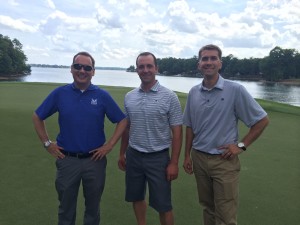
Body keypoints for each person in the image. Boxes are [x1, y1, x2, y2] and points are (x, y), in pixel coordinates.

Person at [32, 51, 127, 225]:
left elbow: (122, 120)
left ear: (93, 71)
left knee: (93, 209)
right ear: (71, 69)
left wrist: (109, 145)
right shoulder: (60, 93)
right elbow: (38, 116)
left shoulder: (101, 95)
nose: (82, 70)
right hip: (67, 160)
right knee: (66, 209)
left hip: (95, 161)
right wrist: (47, 143)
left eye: (87, 67)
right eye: (78, 66)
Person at [182, 44, 269, 225]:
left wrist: (240, 146)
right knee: (208, 207)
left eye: (213, 58)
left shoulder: (235, 90)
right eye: (205, 59)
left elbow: (261, 121)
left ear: (220, 63)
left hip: (224, 161)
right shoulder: (193, 92)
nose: (209, 62)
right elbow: (189, 126)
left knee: (225, 214)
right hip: (199, 158)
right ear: (199, 64)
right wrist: (186, 156)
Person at [118, 52, 183, 225]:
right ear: (137, 69)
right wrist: (122, 153)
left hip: (159, 158)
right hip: (134, 155)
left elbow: (177, 131)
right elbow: (127, 127)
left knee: (163, 205)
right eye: (141, 67)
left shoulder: (170, 96)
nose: (145, 70)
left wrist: (174, 162)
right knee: (136, 197)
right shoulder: (129, 97)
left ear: (156, 68)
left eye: (149, 66)